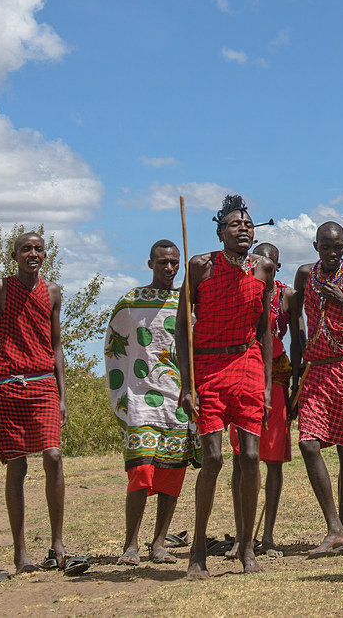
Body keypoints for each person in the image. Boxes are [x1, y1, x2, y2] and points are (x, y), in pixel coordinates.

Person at [0, 232, 86, 575]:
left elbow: (56, 347)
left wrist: (63, 396)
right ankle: (21, 555)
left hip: (43, 385)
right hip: (8, 387)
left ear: (45, 255)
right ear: (15, 255)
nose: (32, 254)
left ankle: (58, 544)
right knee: (17, 466)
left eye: (38, 249)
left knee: (53, 456)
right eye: (26, 249)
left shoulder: (52, 292)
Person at [176, 195, 276, 579]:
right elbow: (183, 327)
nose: (244, 228)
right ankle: (198, 549)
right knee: (213, 458)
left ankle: (247, 547)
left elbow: (265, 328)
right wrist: (187, 384)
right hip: (208, 363)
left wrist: (266, 384)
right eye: (235, 224)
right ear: (220, 232)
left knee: (250, 456)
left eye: (248, 224)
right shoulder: (201, 266)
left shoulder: (263, 268)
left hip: (248, 360)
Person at [105, 240, 201, 566]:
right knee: (142, 470)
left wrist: (194, 390)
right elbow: (114, 345)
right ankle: (130, 545)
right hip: (139, 398)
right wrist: (122, 393)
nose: (170, 268)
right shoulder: (131, 302)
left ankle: (159, 542)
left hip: (178, 399)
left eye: (175, 263)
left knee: (172, 473)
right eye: (163, 262)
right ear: (150, 263)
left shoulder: (187, 303)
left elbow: (198, 347)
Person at [288, 221, 343, 558]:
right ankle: (335, 527)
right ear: (315, 247)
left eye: (337, 247)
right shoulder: (304, 275)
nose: (331, 253)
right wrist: (297, 377)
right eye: (325, 247)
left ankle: (342, 527)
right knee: (308, 444)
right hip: (315, 368)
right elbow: (297, 319)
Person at [225, 242, 292, 559]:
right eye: (259, 259)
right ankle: (242, 538)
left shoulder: (286, 296)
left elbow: (300, 338)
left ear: (278, 266)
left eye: (272, 261)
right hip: (242, 380)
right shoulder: (236, 290)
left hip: (277, 382)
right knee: (242, 459)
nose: (265, 265)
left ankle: (267, 537)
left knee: (273, 462)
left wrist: (296, 388)